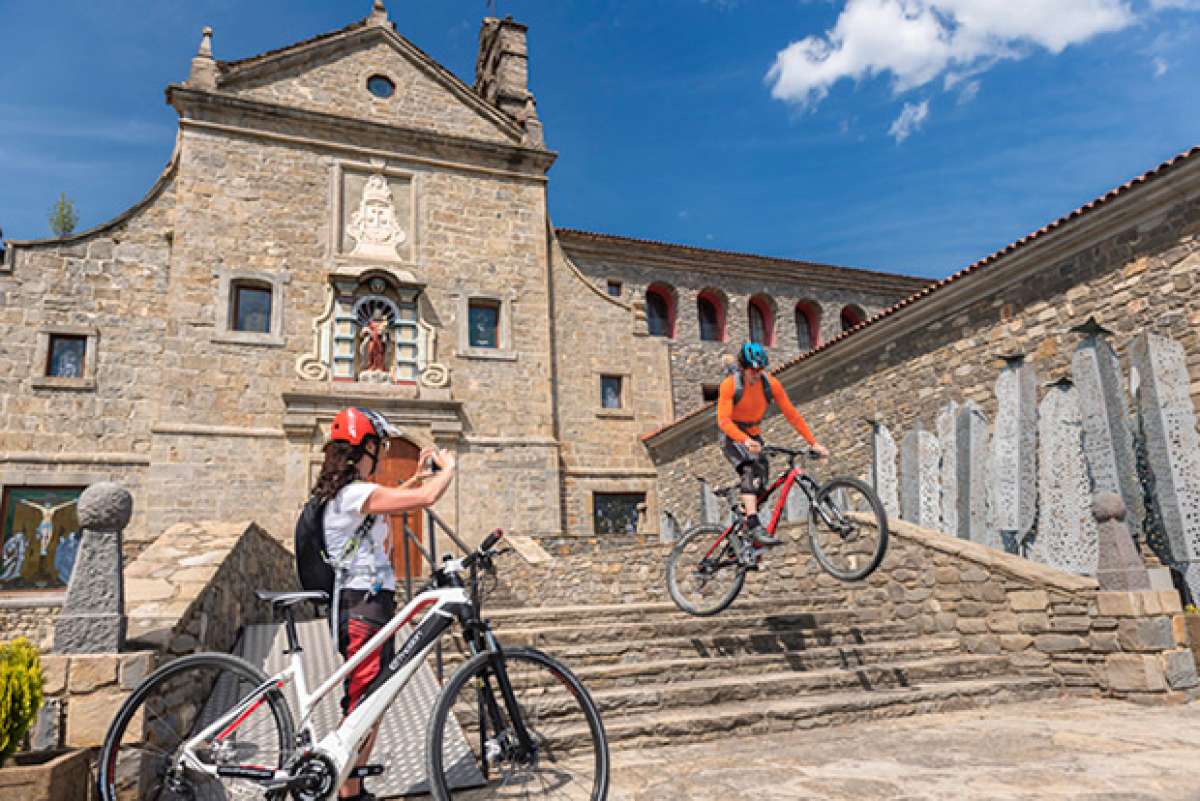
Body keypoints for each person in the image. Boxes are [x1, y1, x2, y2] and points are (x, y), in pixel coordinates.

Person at [311, 406, 456, 801]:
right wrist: (447, 471)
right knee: (362, 704)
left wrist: (420, 476)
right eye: (378, 446)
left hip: (367, 605)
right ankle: (343, 788)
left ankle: (352, 788)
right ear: (364, 448)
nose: (382, 455)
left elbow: (400, 496)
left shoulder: (348, 494)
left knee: (369, 704)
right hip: (363, 607)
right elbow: (423, 499)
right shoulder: (353, 493)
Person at [717, 342, 828, 549]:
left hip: (754, 434)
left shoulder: (771, 384)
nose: (757, 374)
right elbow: (723, 421)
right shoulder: (730, 385)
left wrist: (814, 443)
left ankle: (743, 514)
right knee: (748, 468)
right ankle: (753, 525)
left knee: (762, 483)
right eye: (753, 370)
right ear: (743, 368)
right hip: (732, 435)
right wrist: (745, 440)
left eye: (761, 369)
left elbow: (792, 415)